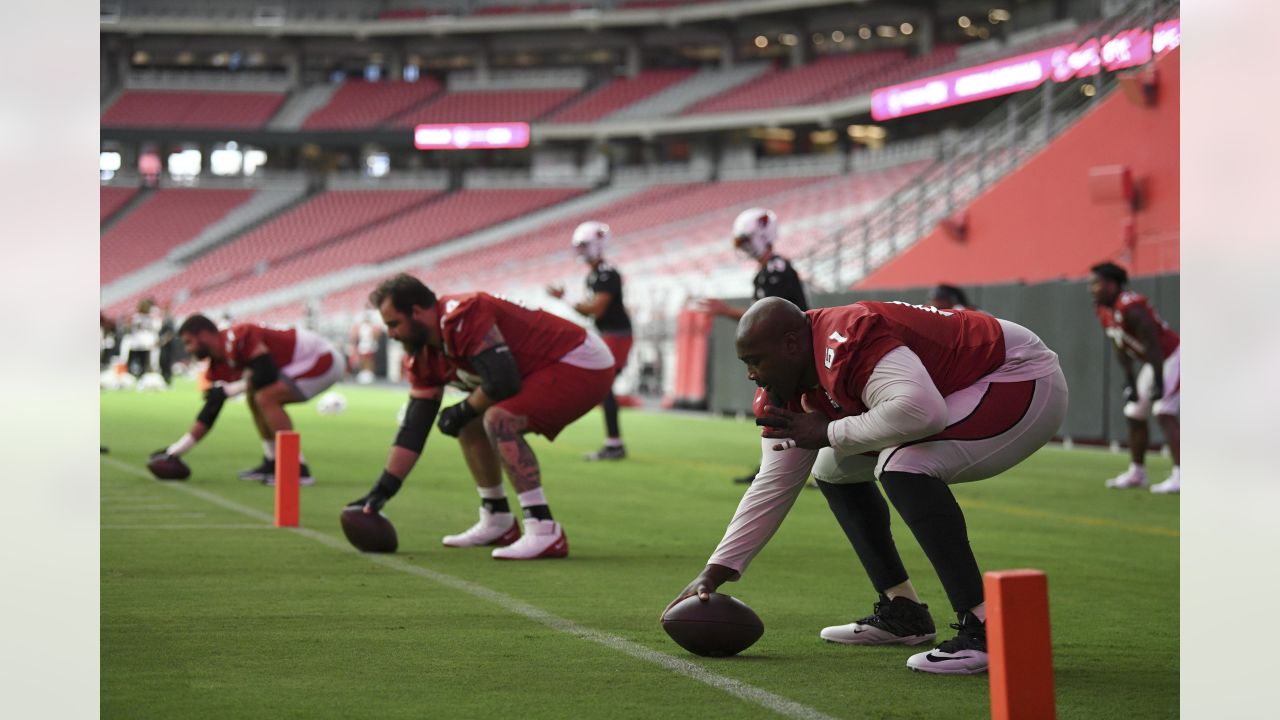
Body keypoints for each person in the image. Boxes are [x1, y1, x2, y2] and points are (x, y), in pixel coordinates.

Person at [667, 297, 1067, 675]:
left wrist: (830, 430)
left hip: (1016, 374)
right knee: (832, 469)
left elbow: (922, 411)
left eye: (755, 361)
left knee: (903, 465)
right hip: (962, 386)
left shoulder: (848, 339)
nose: (752, 374)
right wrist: (714, 572)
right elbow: (772, 485)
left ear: (791, 345)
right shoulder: (786, 386)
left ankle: (985, 627)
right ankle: (903, 610)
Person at [347, 274, 616, 560]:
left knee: (498, 418)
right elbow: (414, 427)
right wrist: (382, 491)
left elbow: (502, 381)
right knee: (470, 421)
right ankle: (497, 518)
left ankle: (544, 528)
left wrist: (462, 409)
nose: (390, 334)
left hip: (580, 360)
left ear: (416, 311)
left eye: (393, 323)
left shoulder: (463, 314)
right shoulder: (424, 353)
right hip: (541, 367)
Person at [151, 314, 345, 485]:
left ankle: (294, 467)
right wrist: (176, 450)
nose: (188, 349)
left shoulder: (238, 336)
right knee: (255, 397)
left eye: (188, 342)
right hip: (298, 363)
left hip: (320, 357)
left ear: (202, 335)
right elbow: (211, 410)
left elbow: (266, 372)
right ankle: (273, 461)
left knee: (266, 396)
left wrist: (232, 389)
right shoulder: (218, 364)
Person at [699, 208, 809, 484]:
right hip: (790, 348)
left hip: (790, 351)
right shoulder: (771, 269)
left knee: (775, 404)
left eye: (747, 240)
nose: (745, 247)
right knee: (783, 405)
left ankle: (773, 468)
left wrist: (725, 310)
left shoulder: (775, 269)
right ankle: (774, 466)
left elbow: (766, 317)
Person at [1089, 262, 1180, 494]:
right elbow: (1119, 345)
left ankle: (1182, 475)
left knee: (1164, 411)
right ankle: (1137, 473)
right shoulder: (1103, 308)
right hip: (1155, 362)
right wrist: (1130, 381)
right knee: (1135, 412)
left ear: (1111, 285)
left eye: (1097, 283)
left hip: (1172, 357)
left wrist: (1159, 383)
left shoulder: (1132, 307)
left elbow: (1153, 345)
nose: (1092, 288)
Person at [546, 221, 633, 461]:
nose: (581, 251)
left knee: (602, 387)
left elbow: (597, 309)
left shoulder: (607, 274)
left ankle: (614, 444)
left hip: (617, 335)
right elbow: (590, 311)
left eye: (584, 245)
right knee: (601, 388)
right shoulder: (596, 275)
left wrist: (566, 297)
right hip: (608, 334)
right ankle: (614, 443)